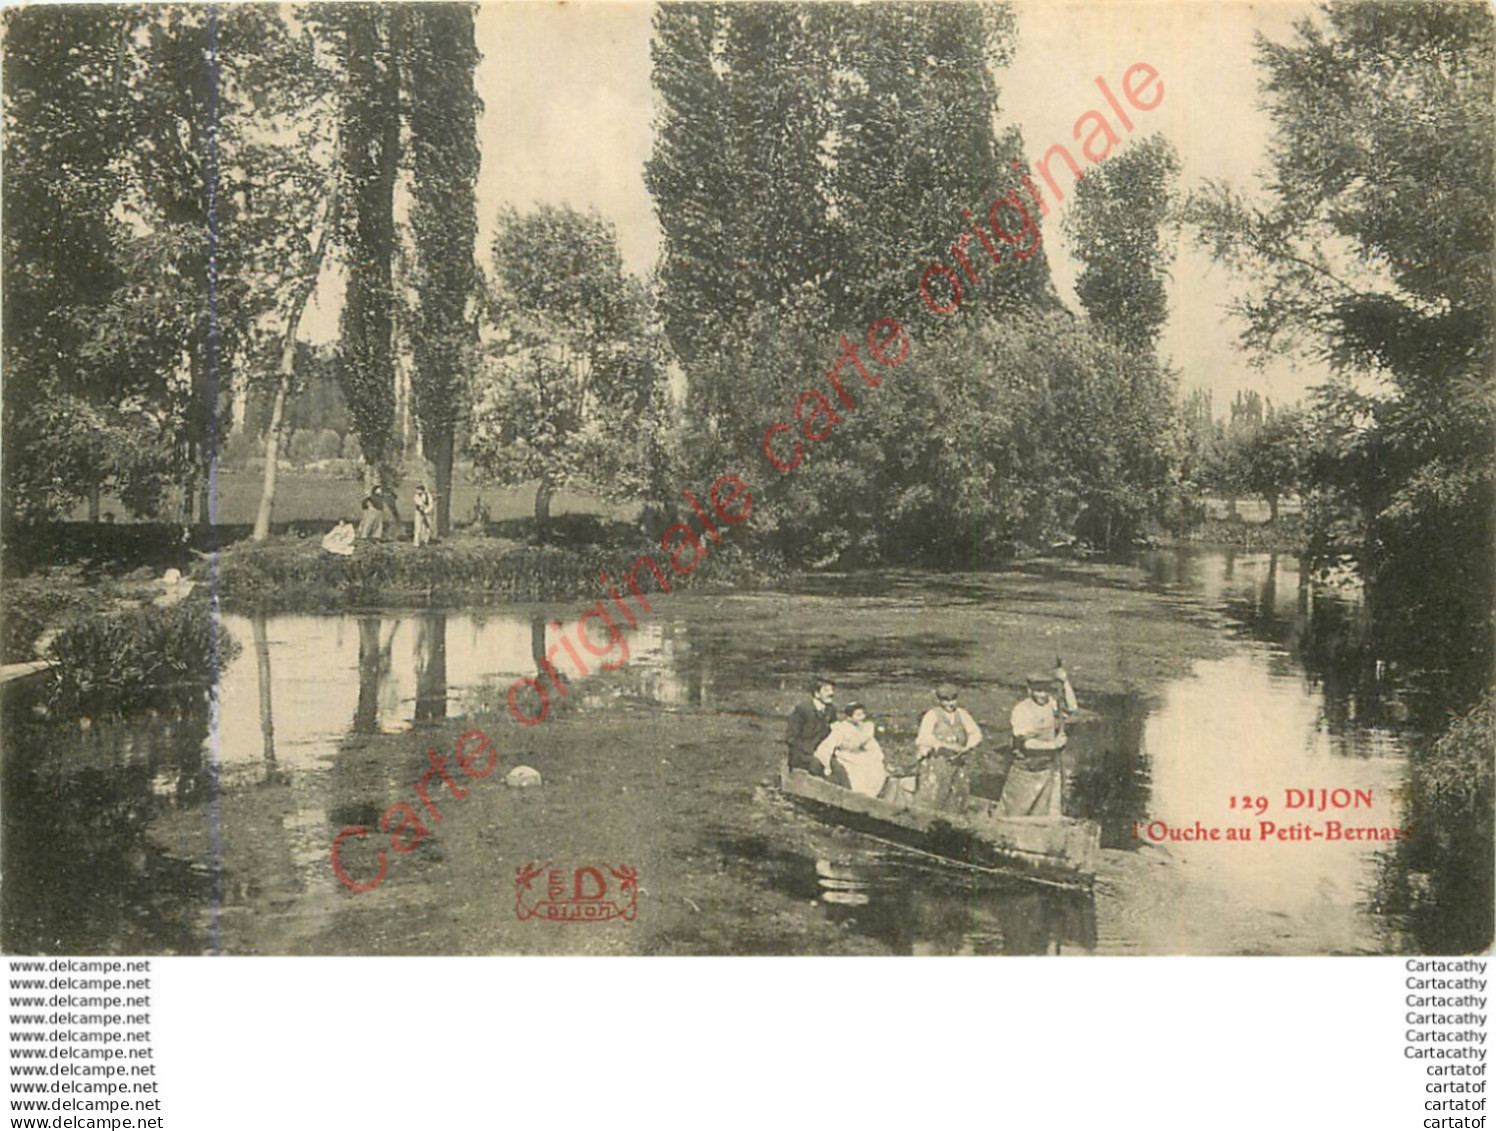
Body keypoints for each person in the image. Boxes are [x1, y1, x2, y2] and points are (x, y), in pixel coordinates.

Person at [999, 667, 1077, 818]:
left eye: (1046, 691)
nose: (1043, 695)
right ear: (1029, 690)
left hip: (1045, 770)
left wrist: (1065, 681)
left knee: (1039, 815)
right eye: (1038, 691)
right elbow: (1027, 744)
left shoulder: (1051, 704)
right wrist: (1054, 745)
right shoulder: (1022, 710)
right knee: (1013, 814)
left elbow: (1072, 708)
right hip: (1025, 771)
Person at [911, 683, 982, 812]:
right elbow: (923, 738)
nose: (950, 704)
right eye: (946, 700)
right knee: (932, 795)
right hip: (937, 762)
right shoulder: (932, 715)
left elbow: (975, 733)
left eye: (953, 700)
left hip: (957, 763)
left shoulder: (962, 714)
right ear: (939, 701)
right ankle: (923, 820)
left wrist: (967, 746)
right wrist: (945, 745)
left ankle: (953, 822)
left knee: (957, 795)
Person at [814, 703, 887, 797]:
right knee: (855, 773)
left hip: (858, 754)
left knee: (874, 766)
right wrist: (826, 765)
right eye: (858, 715)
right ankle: (858, 795)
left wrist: (877, 756)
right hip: (845, 755)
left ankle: (871, 794)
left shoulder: (864, 728)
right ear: (849, 717)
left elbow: (871, 745)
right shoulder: (842, 729)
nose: (861, 717)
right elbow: (827, 746)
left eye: (862, 714)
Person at [785, 677, 836, 777]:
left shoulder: (831, 709)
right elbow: (791, 738)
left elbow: (834, 733)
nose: (831, 693)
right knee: (817, 766)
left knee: (839, 767)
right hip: (802, 754)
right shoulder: (803, 709)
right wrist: (810, 751)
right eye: (826, 690)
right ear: (816, 694)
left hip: (824, 751)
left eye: (832, 690)